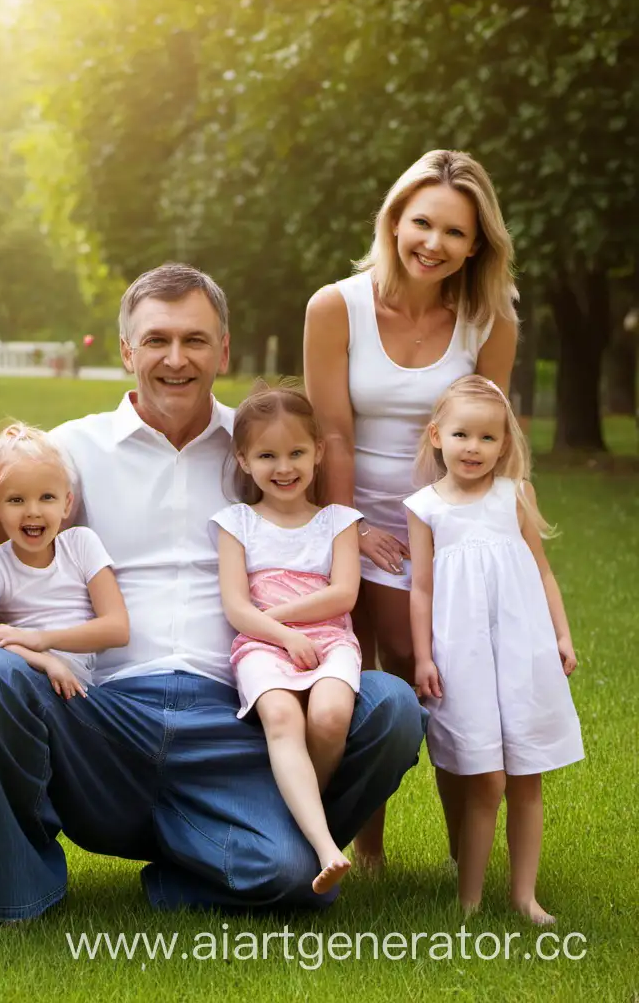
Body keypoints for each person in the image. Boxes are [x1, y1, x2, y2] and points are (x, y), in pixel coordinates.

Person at [0, 262, 426, 922]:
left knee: (391, 709)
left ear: (223, 350)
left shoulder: (264, 450)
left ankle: (255, 853)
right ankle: (30, 887)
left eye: (196, 340)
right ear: (125, 351)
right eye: (156, 340)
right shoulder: (71, 453)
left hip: (238, 723)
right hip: (100, 719)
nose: (176, 358)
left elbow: (319, 527)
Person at [303, 149, 519, 867]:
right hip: (344, 515)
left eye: (456, 233)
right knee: (349, 676)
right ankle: (364, 851)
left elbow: (494, 435)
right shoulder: (336, 306)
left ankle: (469, 862)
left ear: (477, 244)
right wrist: (349, 530)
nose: (435, 244)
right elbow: (329, 431)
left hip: (445, 527)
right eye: (422, 223)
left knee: (437, 679)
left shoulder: (489, 321)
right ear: (394, 221)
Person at [404, 375, 583, 924]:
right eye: (462, 435)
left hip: (522, 647)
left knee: (526, 775)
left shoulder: (516, 494)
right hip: (464, 655)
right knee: (486, 777)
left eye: (488, 438)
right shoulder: (425, 506)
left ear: (504, 444)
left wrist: (562, 633)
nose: (473, 448)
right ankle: (469, 901)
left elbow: (544, 572)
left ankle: (524, 897)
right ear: (437, 436)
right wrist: (423, 657)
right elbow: (422, 587)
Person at [212, 382, 363, 895]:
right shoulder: (237, 523)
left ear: (318, 452)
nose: (284, 467)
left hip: (329, 641)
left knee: (329, 714)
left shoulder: (338, 522)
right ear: (243, 458)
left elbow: (342, 595)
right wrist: (280, 633)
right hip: (260, 643)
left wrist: (285, 618)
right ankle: (323, 845)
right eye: (267, 455)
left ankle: (291, 820)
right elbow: (237, 608)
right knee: (280, 715)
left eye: (297, 452)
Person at [0, 423, 130, 700]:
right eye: (16, 500)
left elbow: (117, 628)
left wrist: (41, 639)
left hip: (77, 691)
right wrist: (46, 660)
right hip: (23, 678)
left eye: (47, 498)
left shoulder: (81, 544)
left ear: (67, 503)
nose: (33, 512)